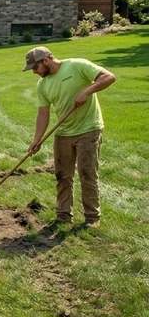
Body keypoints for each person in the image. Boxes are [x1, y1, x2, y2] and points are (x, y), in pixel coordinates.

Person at [24, 46, 116, 228]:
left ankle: (92, 217)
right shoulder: (42, 84)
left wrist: (87, 91)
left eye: (35, 67)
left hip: (88, 129)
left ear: (46, 60)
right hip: (64, 132)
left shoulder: (77, 65)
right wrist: (37, 140)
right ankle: (63, 215)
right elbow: (43, 113)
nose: (34, 72)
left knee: (87, 173)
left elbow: (109, 77)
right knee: (62, 176)